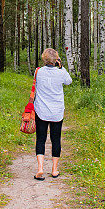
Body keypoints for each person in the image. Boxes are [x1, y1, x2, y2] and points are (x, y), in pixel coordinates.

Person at [28, 48, 72, 180]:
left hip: (41, 111)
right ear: (56, 60)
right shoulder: (61, 73)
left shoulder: (39, 72)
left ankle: (40, 169)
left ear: (44, 59)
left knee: (40, 139)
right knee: (55, 139)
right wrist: (62, 67)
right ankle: (54, 170)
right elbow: (69, 81)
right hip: (57, 112)